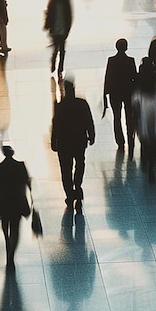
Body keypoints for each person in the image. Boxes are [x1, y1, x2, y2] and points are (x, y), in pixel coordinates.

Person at [51, 80, 95, 213]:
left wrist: (54, 141)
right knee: (80, 164)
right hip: (79, 141)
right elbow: (89, 120)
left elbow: (55, 125)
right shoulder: (81, 104)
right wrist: (91, 135)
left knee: (65, 170)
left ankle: (70, 195)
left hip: (64, 143)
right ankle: (78, 186)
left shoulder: (60, 106)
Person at [0, 146, 31, 269]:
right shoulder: (20, 166)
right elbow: (27, 182)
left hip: (2, 202)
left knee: (5, 224)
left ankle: (7, 243)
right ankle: (11, 253)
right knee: (15, 229)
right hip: (17, 201)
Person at [132, 59, 156, 182]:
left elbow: (135, 104)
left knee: (145, 141)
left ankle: (145, 158)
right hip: (155, 116)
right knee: (155, 143)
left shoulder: (139, 92)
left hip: (143, 115)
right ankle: (153, 164)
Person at [103, 38, 137, 156]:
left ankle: (120, 142)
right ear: (126, 47)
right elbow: (134, 77)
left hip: (115, 92)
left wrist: (105, 96)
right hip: (128, 92)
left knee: (116, 117)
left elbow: (107, 78)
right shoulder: (130, 60)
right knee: (129, 117)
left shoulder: (111, 60)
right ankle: (130, 138)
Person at [44, 0, 72, 74]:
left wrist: (46, 25)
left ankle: (57, 64)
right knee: (60, 49)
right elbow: (69, 15)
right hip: (60, 28)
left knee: (58, 49)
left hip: (58, 28)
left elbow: (48, 13)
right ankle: (59, 66)